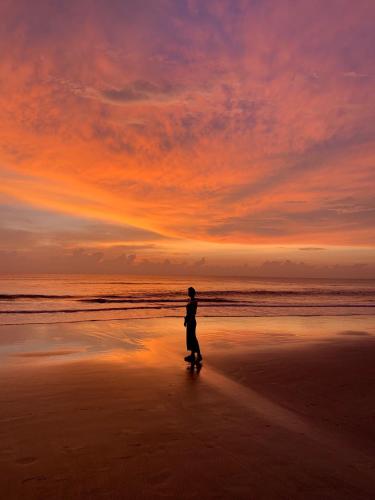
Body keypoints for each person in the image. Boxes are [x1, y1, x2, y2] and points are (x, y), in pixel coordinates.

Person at [184, 287, 202, 364]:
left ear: (191, 293)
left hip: (192, 321)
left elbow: (192, 313)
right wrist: (185, 320)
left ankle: (198, 354)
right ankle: (192, 355)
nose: (187, 293)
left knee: (193, 338)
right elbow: (188, 313)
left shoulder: (194, 301)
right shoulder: (191, 301)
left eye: (188, 291)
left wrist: (187, 320)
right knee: (190, 338)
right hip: (189, 321)